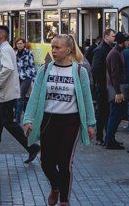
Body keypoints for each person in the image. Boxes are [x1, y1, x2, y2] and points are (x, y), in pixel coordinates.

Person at [22, 34, 96, 206]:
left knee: (64, 163)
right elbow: (34, 96)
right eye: (52, 47)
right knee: (46, 163)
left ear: (68, 50)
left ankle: (64, 200)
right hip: (48, 120)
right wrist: (28, 119)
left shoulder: (79, 71)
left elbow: (86, 99)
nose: (53, 51)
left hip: (70, 122)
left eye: (57, 48)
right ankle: (55, 187)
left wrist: (91, 124)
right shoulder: (45, 69)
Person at [0, 26, 40, 163]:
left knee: (8, 123)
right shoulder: (6, 49)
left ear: (1, 36)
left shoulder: (5, 49)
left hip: (5, 94)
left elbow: (8, 68)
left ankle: (32, 146)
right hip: (2, 94)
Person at [104, 31, 129, 150]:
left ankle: (111, 139)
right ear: (122, 42)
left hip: (116, 87)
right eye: (127, 41)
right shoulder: (115, 54)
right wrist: (118, 92)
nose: (128, 43)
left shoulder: (117, 52)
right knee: (115, 115)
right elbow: (114, 74)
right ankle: (109, 141)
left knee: (116, 114)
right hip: (116, 89)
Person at [90, 29, 115, 145]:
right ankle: (100, 137)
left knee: (106, 111)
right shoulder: (100, 50)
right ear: (106, 36)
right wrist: (100, 83)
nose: (114, 38)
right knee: (102, 112)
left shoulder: (108, 48)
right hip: (103, 86)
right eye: (112, 36)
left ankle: (107, 136)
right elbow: (95, 69)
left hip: (106, 85)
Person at [14, 38, 36, 124]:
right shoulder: (14, 53)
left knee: (20, 96)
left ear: (24, 44)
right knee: (18, 97)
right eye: (18, 44)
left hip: (26, 76)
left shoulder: (29, 53)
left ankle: (18, 119)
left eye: (21, 43)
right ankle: (28, 114)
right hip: (17, 77)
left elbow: (32, 66)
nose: (19, 45)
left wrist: (33, 77)